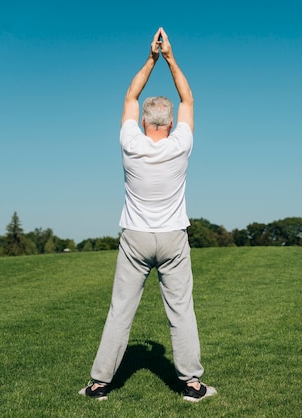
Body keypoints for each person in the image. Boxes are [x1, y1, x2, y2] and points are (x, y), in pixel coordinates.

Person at [79, 27, 216, 402]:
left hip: (135, 238)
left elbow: (130, 95)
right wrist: (170, 57)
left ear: (143, 122)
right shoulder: (180, 144)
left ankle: (98, 385)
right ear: (170, 124)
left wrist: (151, 58)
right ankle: (191, 384)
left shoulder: (130, 143)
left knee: (120, 312)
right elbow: (188, 98)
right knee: (181, 312)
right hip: (172, 237)